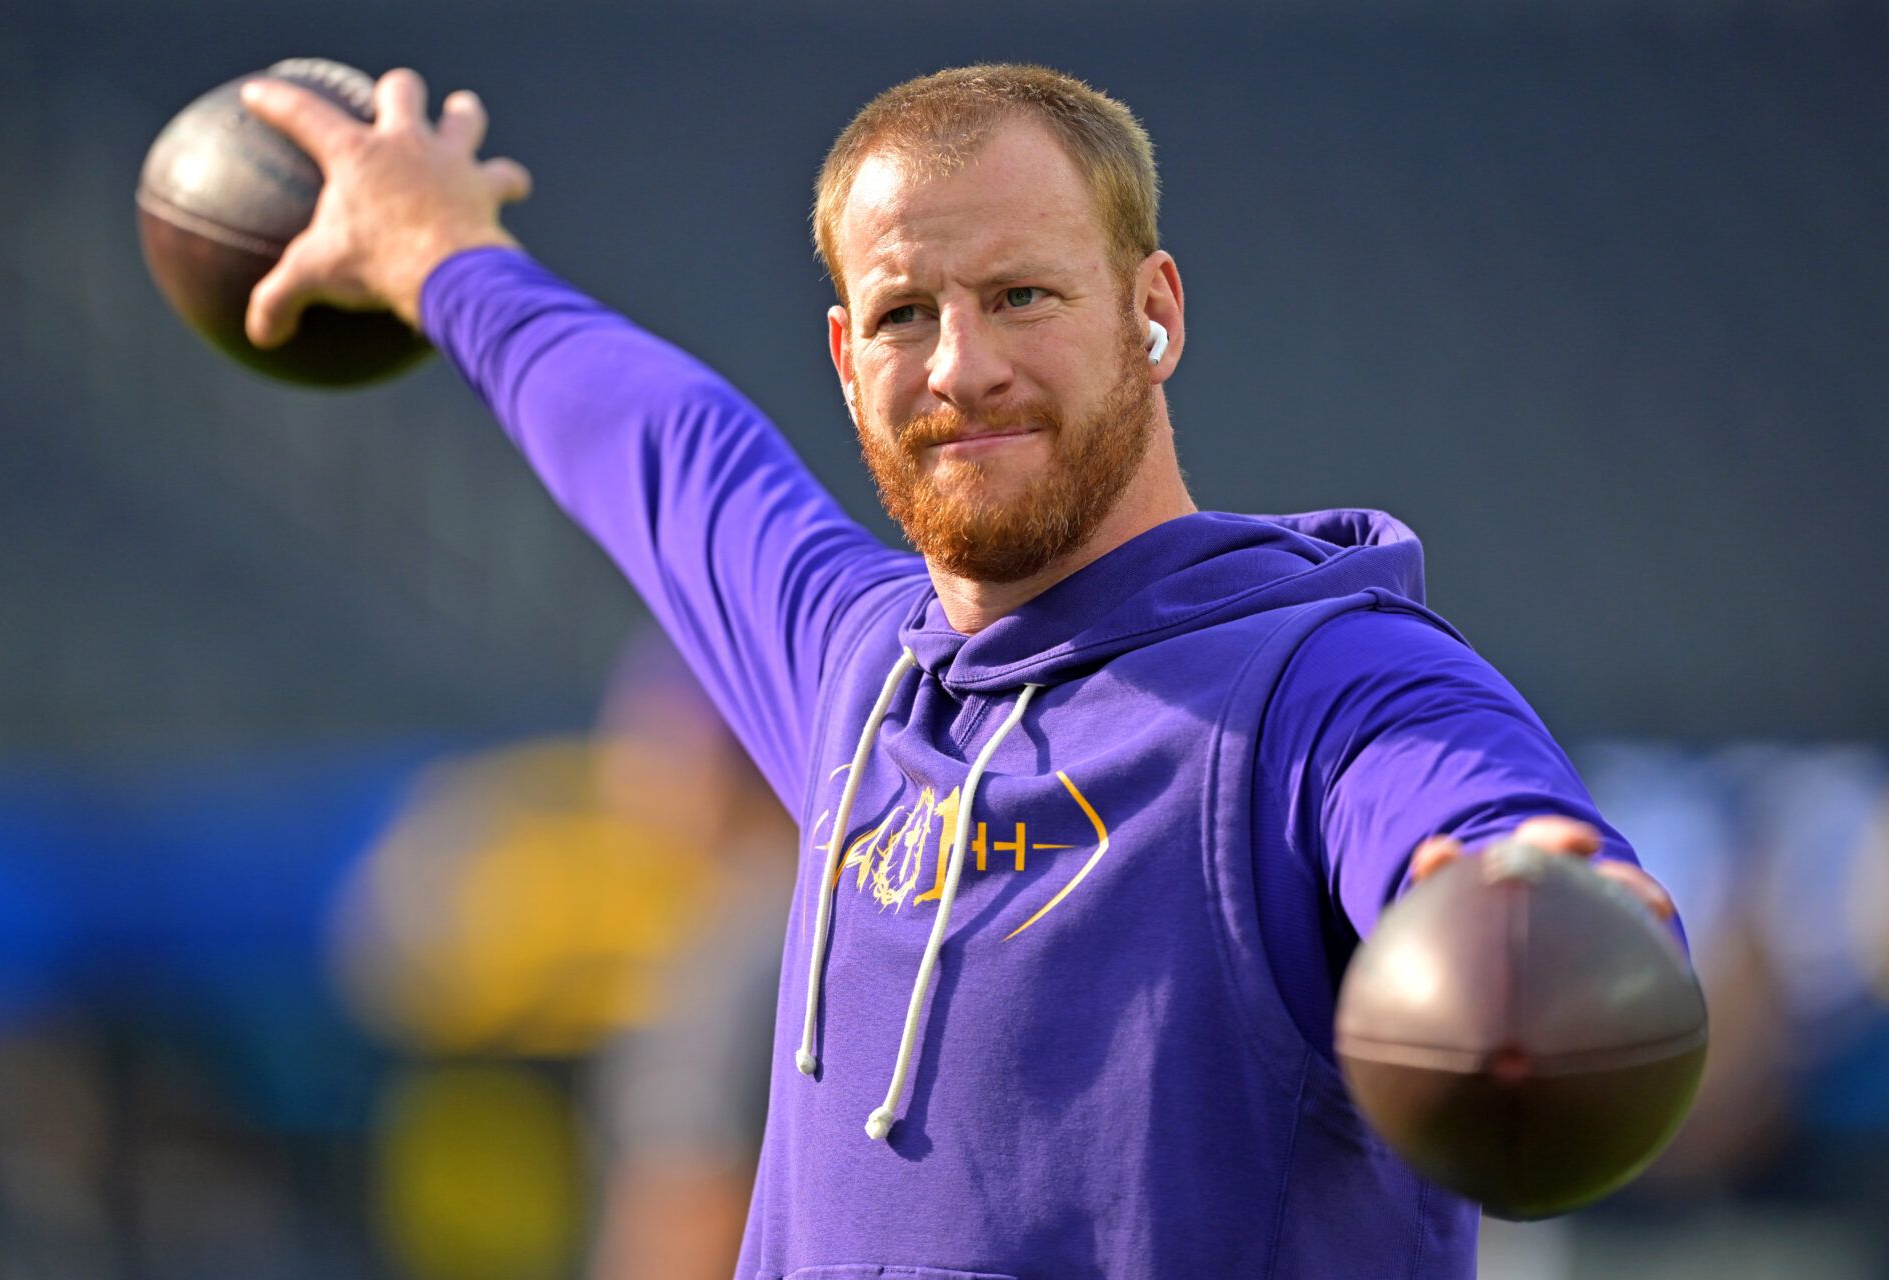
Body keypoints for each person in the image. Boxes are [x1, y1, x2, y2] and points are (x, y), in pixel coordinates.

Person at [238, 63, 1679, 1278]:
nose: (960, 367)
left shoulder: (1321, 685)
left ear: (1152, 309)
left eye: (1024, 295)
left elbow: (1473, 833)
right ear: (845, 351)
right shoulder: (849, 662)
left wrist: (1537, 902)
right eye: (904, 314)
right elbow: (658, 442)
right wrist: (439, 254)